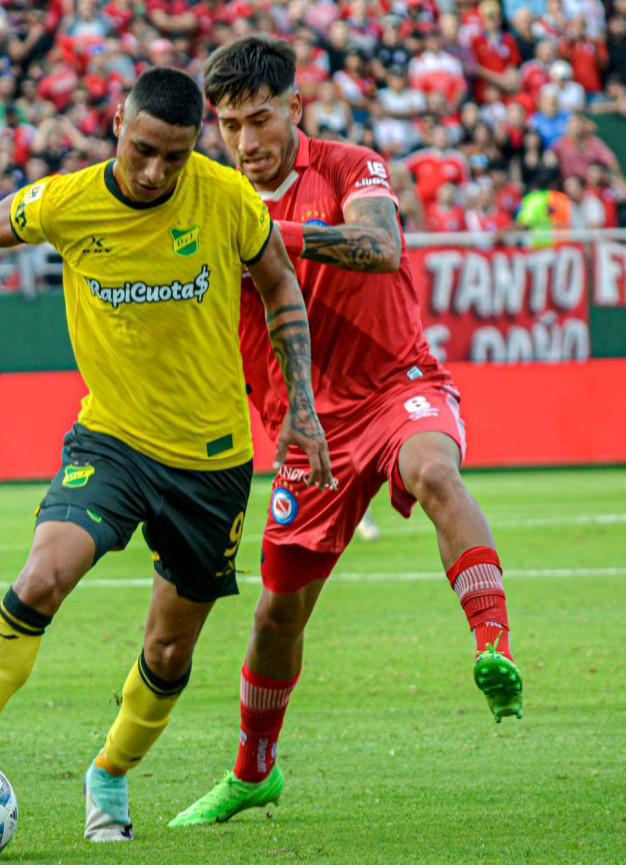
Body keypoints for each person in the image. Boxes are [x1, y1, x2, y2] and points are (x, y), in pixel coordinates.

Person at [0, 67, 332, 842]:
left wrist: (302, 408)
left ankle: (108, 774)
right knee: (42, 576)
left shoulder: (225, 198)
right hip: (110, 439)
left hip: (213, 461)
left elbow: (280, 283)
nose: (155, 172)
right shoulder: (68, 201)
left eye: (174, 158)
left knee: (169, 646)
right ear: (117, 122)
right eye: (143, 150)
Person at [169, 35, 523, 829]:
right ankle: (253, 771)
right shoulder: (205, 204)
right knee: (275, 615)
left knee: (436, 471)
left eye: (260, 119)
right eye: (229, 126)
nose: (247, 141)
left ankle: (492, 643)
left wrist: (266, 238)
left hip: (400, 383)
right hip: (305, 423)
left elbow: (380, 245)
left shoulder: (348, 164)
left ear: (296, 107)